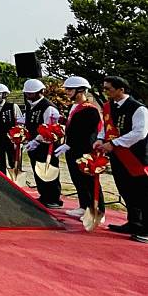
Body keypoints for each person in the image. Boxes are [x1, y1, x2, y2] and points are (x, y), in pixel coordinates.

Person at [94, 76, 148, 243]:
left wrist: (115, 143)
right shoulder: (108, 107)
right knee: (126, 190)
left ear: (121, 90)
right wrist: (100, 139)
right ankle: (134, 222)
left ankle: (146, 229)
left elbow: (140, 132)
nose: (105, 91)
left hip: (136, 157)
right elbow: (106, 127)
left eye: (108, 88)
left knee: (143, 194)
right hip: (118, 156)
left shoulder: (139, 109)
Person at [54, 77, 104, 220]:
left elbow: (88, 132)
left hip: (85, 150)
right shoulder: (74, 107)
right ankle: (84, 206)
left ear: (81, 90)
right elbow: (74, 126)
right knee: (78, 179)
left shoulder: (91, 110)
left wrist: (70, 144)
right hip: (72, 150)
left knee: (89, 181)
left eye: (70, 90)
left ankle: (98, 210)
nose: (67, 92)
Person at [22, 79, 63, 208]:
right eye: (27, 93)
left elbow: (49, 129)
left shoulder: (48, 107)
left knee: (49, 170)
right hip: (34, 144)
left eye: (31, 94)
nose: (29, 96)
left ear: (40, 92)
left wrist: (36, 140)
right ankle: (44, 195)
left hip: (46, 145)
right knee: (37, 170)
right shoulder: (30, 105)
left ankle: (53, 198)